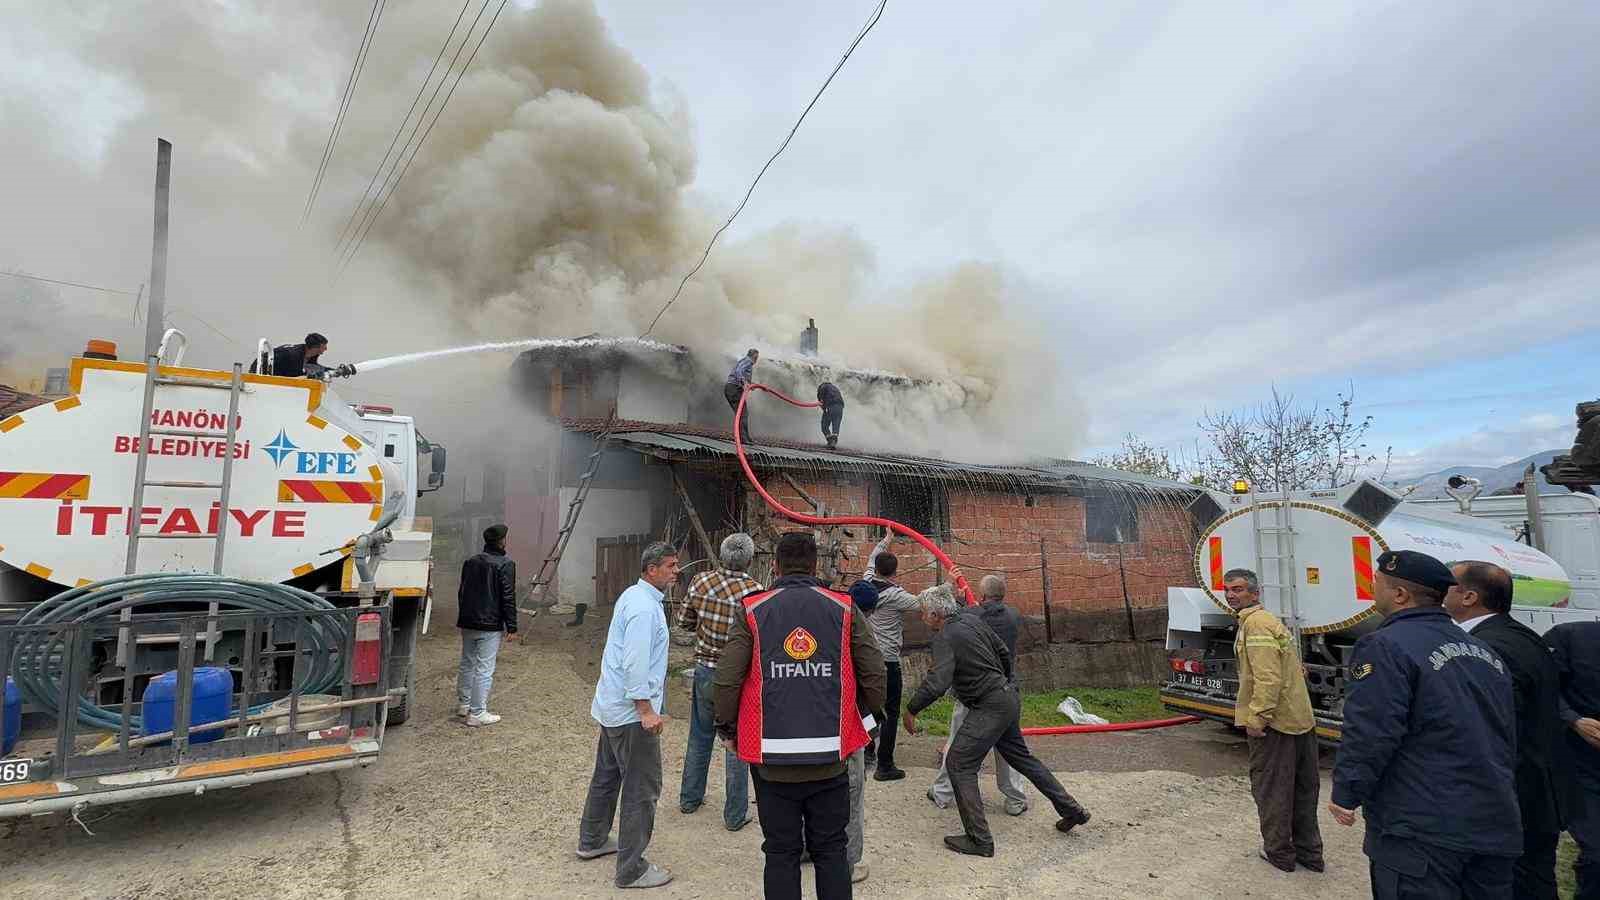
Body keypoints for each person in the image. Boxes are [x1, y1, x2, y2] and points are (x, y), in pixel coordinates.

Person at [1328, 550, 1521, 899]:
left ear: (1399, 595)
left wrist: (1347, 791)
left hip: (1421, 828)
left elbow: (1372, 729)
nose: (1373, 589)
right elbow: (1504, 730)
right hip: (1493, 822)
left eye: (1378, 584)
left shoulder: (1384, 645)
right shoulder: (1483, 650)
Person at [714, 531, 887, 900]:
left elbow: (728, 677)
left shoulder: (752, 609)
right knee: (831, 851)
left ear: (775, 565)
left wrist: (727, 728)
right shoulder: (843, 607)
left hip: (771, 760)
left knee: (780, 852)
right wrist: (871, 720)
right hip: (831, 759)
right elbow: (874, 670)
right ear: (815, 564)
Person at [904, 583, 1091, 857]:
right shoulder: (971, 619)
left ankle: (979, 839)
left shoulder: (946, 636)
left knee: (959, 763)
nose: (922, 618)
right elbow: (1003, 651)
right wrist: (1005, 683)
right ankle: (1072, 810)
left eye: (924, 613)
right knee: (1023, 759)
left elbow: (937, 681)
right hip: (1006, 696)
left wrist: (911, 709)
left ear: (936, 615)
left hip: (989, 705)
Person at [1444, 560, 1562, 899]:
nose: (1440, 591)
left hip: (1513, 797)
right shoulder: (1521, 635)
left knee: (1517, 884)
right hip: (1539, 789)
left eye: (1448, 585)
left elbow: (1490, 731)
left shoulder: (1485, 649)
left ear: (1468, 597)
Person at [576, 542, 678, 890]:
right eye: (670, 566)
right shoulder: (644, 609)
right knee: (641, 788)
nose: (675, 571)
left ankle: (591, 839)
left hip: (612, 708)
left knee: (606, 776)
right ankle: (631, 869)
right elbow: (635, 662)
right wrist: (646, 709)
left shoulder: (634, 598)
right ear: (652, 570)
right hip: (632, 715)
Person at [1219, 568, 1322, 873]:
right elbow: (1294, 669)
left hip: (1277, 724)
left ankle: (1279, 854)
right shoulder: (1269, 621)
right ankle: (1310, 854)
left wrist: (1258, 718)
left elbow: (1267, 677)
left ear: (1255, 593)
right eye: (1228, 589)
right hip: (1300, 718)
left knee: (1272, 789)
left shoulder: (1256, 625)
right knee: (1304, 789)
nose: (1231, 594)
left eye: (1238, 589)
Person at [676, 533, 762, 831]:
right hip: (737, 680)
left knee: (699, 736)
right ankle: (735, 814)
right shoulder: (755, 593)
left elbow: (684, 622)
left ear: (721, 555)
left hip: (704, 671)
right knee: (735, 743)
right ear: (750, 560)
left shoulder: (700, 582)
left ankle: (689, 799)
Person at [928, 575, 1030, 816]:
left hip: (974, 692)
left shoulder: (972, 615)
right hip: (1006, 690)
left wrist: (960, 599)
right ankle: (1016, 798)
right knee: (1009, 747)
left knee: (957, 741)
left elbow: (959, 619)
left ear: (982, 596)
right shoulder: (1014, 615)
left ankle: (942, 792)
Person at [859, 534, 922, 781]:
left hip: (865, 658)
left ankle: (867, 751)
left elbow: (872, 558)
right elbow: (922, 604)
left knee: (866, 707)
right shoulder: (896, 595)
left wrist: (886, 539)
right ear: (895, 572)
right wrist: (949, 586)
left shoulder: (866, 583)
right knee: (891, 711)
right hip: (888, 661)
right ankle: (885, 765)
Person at [1546, 620, 1600, 899]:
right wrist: (1574, 720)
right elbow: (1542, 686)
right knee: (1597, 854)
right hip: (1580, 767)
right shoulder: (1570, 637)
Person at [455, 524, 519, 727]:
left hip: (468, 621)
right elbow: (508, 596)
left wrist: (464, 615)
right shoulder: (505, 564)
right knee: (484, 668)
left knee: (467, 663)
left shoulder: (471, 561)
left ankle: (464, 705)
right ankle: (477, 713)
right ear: (502, 541)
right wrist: (512, 626)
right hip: (490, 624)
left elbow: (462, 591)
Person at [251, 332, 355, 379]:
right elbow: (295, 376)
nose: (326, 349)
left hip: (279, 373)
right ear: (315, 347)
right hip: (260, 374)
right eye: (324, 347)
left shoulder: (309, 354)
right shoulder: (293, 355)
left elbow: (314, 367)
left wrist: (336, 370)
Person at [725, 348, 759, 444]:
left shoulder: (746, 361)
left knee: (743, 413)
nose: (756, 360)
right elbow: (739, 371)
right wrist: (744, 382)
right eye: (756, 357)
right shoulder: (748, 361)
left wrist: (751, 384)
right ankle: (743, 438)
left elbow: (742, 375)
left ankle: (745, 437)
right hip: (733, 389)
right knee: (742, 414)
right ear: (752, 356)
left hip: (733, 389)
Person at [817, 382, 844, 449]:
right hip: (840, 407)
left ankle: (830, 441)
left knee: (824, 426)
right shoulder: (835, 388)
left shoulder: (823, 387)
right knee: (836, 425)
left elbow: (821, 399)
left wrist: (822, 405)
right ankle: (833, 442)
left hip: (831, 406)